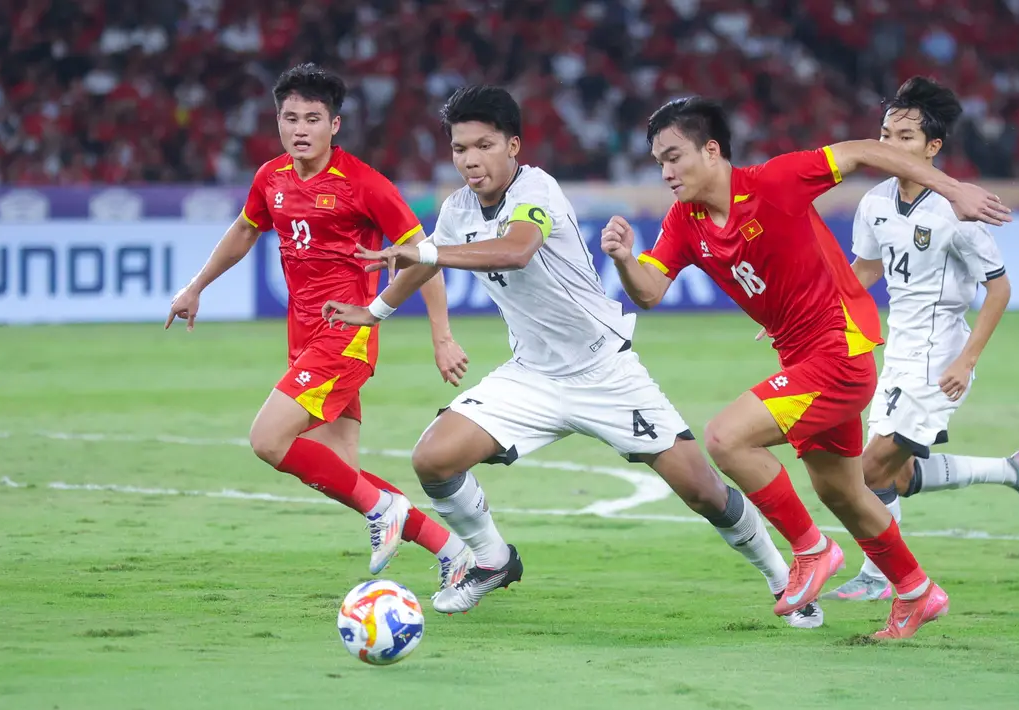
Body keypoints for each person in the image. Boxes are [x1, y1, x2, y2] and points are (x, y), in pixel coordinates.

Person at [323, 85, 819, 628]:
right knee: (433, 459)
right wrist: (376, 311)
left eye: (483, 145)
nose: (470, 160)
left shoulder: (537, 188)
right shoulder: (457, 209)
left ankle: (784, 578)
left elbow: (517, 249)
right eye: (460, 148)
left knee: (703, 491)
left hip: (604, 370)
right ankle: (492, 560)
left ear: (513, 145)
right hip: (532, 376)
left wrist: (423, 250)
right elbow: (424, 265)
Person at [603, 96, 1011, 639]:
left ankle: (810, 550)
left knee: (727, 439)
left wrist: (953, 189)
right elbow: (650, 291)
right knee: (843, 491)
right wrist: (627, 261)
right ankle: (916, 592)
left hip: (839, 352)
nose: (666, 172)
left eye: (673, 157)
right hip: (802, 358)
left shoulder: (775, 181)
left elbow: (866, 151)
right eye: (659, 162)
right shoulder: (685, 220)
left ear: (712, 149)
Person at [165, 63, 473, 587]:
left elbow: (424, 257)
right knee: (342, 475)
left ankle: (385, 512)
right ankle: (454, 552)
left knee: (268, 439)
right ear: (278, 121)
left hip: (346, 336)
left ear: (335, 125)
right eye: (290, 118)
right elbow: (245, 230)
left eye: (312, 118)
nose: (300, 128)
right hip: (303, 338)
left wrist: (441, 337)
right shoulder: (271, 178)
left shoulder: (365, 185)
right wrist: (197, 286)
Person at [820, 77, 1019, 602]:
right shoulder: (875, 202)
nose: (889, 145)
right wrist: (811, 312)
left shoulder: (956, 209)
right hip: (898, 352)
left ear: (932, 147)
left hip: (940, 356)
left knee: (867, 468)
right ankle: (1015, 470)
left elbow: (999, 290)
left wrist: (966, 362)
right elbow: (865, 269)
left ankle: (883, 577)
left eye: (903, 136)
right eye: (883, 133)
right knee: (895, 478)